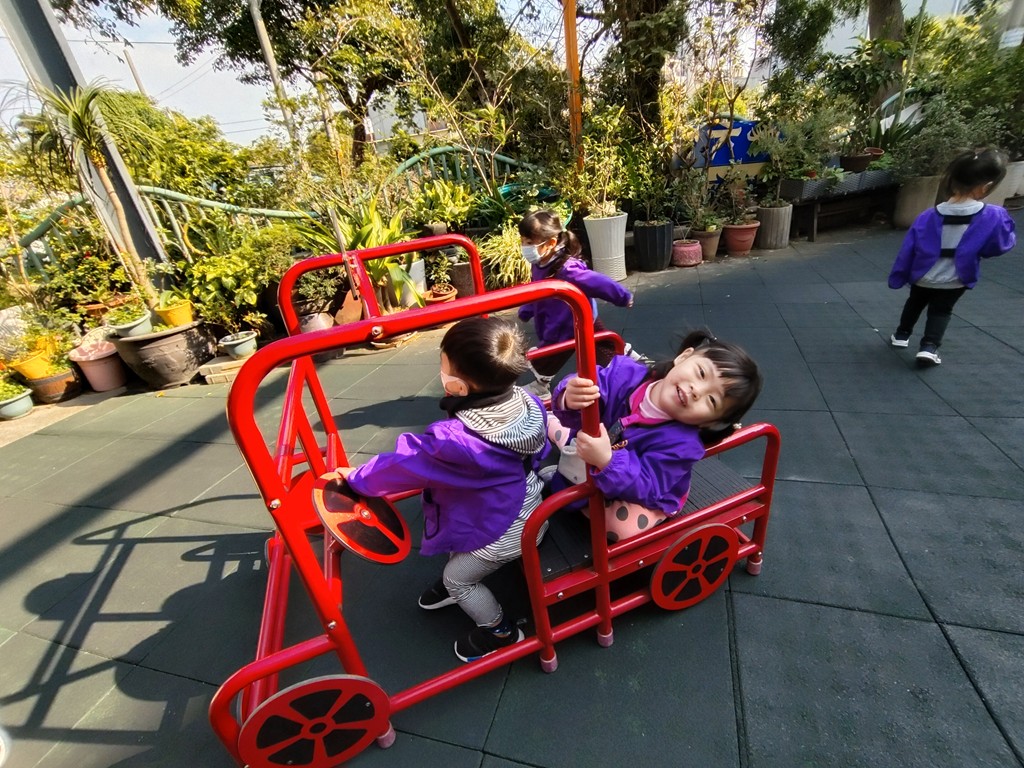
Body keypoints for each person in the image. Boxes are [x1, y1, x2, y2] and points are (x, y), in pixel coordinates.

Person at [341, 316, 549, 662]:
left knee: (457, 579)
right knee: (456, 525)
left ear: (460, 387)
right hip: (530, 506)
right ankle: (467, 571)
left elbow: (406, 463)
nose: (440, 369)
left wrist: (356, 478)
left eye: (443, 364)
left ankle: (499, 632)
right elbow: (538, 450)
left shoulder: (456, 441)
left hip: (506, 532)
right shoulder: (527, 402)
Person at [548, 329, 762, 542]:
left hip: (648, 488)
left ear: (710, 422)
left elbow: (648, 485)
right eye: (701, 373)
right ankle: (557, 430)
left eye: (712, 400)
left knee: (621, 528)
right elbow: (593, 386)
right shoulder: (625, 373)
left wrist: (608, 462)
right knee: (571, 429)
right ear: (684, 357)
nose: (697, 391)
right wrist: (570, 396)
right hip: (605, 454)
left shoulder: (682, 445)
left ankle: (619, 500)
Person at [888, 147, 1016, 367]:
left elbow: (908, 248)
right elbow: (1000, 244)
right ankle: (929, 347)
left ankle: (902, 334)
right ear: (986, 187)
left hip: (923, 275)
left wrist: (900, 274)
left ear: (952, 180)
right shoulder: (994, 216)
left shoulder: (928, 216)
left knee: (915, 303)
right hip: (956, 277)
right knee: (941, 310)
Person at [518, 210, 648, 401]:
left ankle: (541, 386)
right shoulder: (540, 262)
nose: (524, 247)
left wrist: (622, 296)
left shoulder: (567, 269)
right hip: (562, 319)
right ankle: (630, 357)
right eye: (523, 241)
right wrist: (527, 309)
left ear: (551, 243)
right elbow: (538, 290)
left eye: (529, 243)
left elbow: (597, 282)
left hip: (570, 324)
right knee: (602, 343)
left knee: (552, 355)